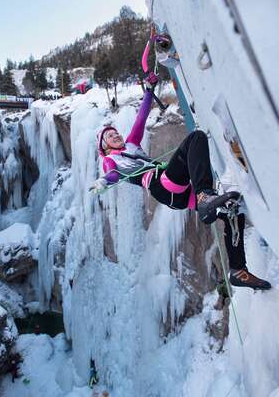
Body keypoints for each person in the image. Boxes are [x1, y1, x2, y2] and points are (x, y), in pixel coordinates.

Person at [91, 73, 271, 291]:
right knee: (196, 138)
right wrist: (103, 181)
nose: (116, 135)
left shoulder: (131, 144)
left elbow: (141, 118)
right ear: (104, 146)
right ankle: (205, 195)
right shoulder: (110, 160)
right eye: (110, 136)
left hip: (177, 194)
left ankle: (237, 270)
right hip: (162, 185)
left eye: (116, 132)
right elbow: (112, 174)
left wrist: (149, 91)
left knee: (233, 210)